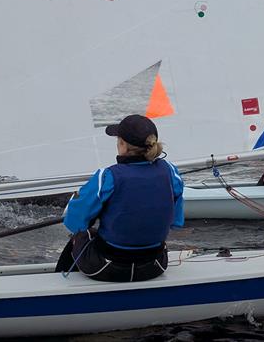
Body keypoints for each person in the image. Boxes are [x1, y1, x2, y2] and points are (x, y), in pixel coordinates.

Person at [54, 114, 184, 282]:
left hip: (109, 268)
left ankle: (58, 283)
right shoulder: (170, 171)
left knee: (80, 236)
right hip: (155, 265)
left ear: (122, 145)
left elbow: (74, 221)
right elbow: (176, 221)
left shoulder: (108, 176)